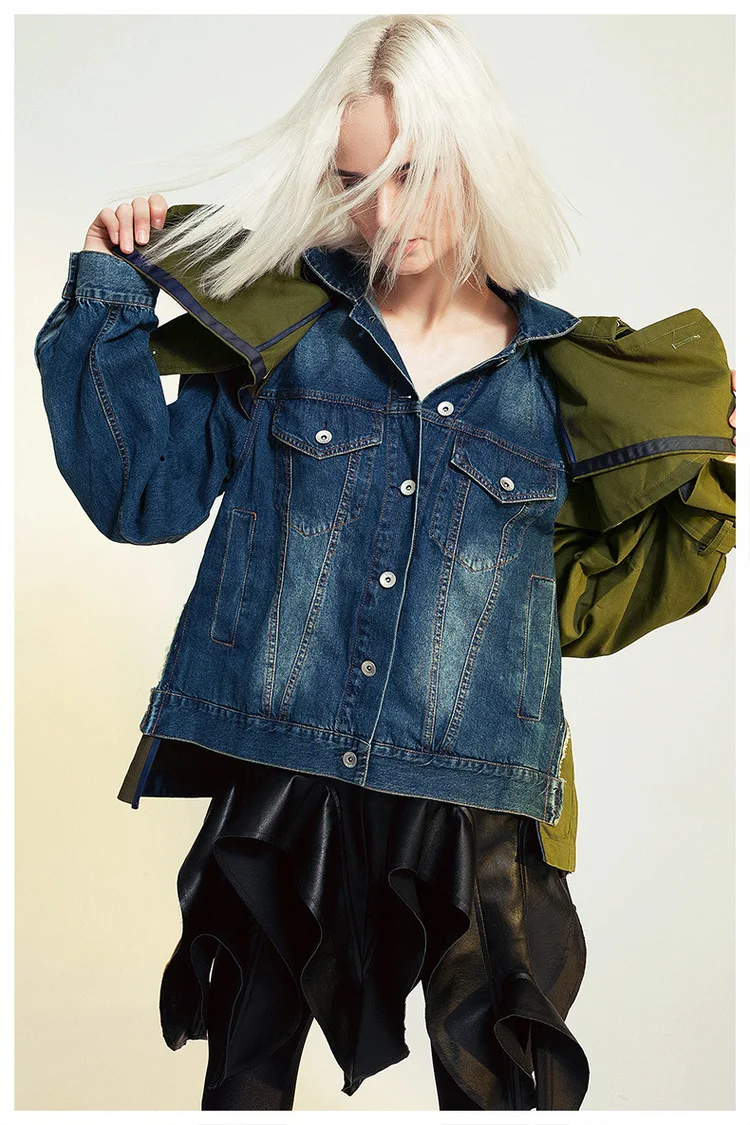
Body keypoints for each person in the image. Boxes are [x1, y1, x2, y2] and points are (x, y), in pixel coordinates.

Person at [33, 14, 736, 1112]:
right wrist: (107, 288)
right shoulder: (279, 339)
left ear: (477, 157)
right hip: (285, 764)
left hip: (473, 794)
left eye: (414, 171)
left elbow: (580, 611)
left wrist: (702, 472)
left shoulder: (559, 386)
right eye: (355, 178)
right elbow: (142, 496)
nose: (384, 210)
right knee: (246, 1078)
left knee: (498, 1085)